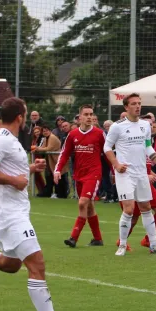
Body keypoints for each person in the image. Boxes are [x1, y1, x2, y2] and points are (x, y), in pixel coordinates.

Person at [0, 97, 78, 311]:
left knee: (12, 265)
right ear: (20, 117)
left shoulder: (9, 140)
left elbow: (11, 170)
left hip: (15, 212)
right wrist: (14, 180)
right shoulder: (1, 140)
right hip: (10, 215)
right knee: (37, 264)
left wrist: (31, 169)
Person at [104, 93, 156, 256]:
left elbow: (148, 148)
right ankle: (122, 245)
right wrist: (117, 165)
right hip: (125, 174)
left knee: (146, 208)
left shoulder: (145, 126)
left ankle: (153, 244)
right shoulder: (117, 126)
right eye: (133, 103)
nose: (137, 106)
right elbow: (107, 148)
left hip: (142, 174)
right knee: (128, 209)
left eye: (139, 103)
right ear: (126, 107)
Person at [54, 104, 107, 248]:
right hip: (79, 175)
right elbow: (64, 153)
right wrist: (57, 170)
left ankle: (73, 238)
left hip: (94, 174)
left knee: (82, 203)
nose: (90, 117)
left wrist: (115, 170)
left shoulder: (99, 133)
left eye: (91, 114)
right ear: (80, 117)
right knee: (89, 206)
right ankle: (97, 239)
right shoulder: (73, 135)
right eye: (86, 114)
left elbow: (108, 153)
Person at [116, 157, 156, 250]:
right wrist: (145, 177)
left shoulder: (146, 145)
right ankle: (121, 242)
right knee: (133, 217)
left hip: (146, 185)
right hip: (133, 184)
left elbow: (147, 170)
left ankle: (148, 240)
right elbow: (130, 168)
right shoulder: (131, 145)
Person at [35, 124, 68, 199]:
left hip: (57, 160)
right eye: (43, 131)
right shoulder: (46, 138)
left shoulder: (52, 137)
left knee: (60, 178)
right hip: (52, 161)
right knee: (51, 177)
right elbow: (43, 147)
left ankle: (61, 194)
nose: (45, 132)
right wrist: (38, 148)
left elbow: (49, 148)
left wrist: (37, 149)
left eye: (47, 130)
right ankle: (49, 193)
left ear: (50, 131)